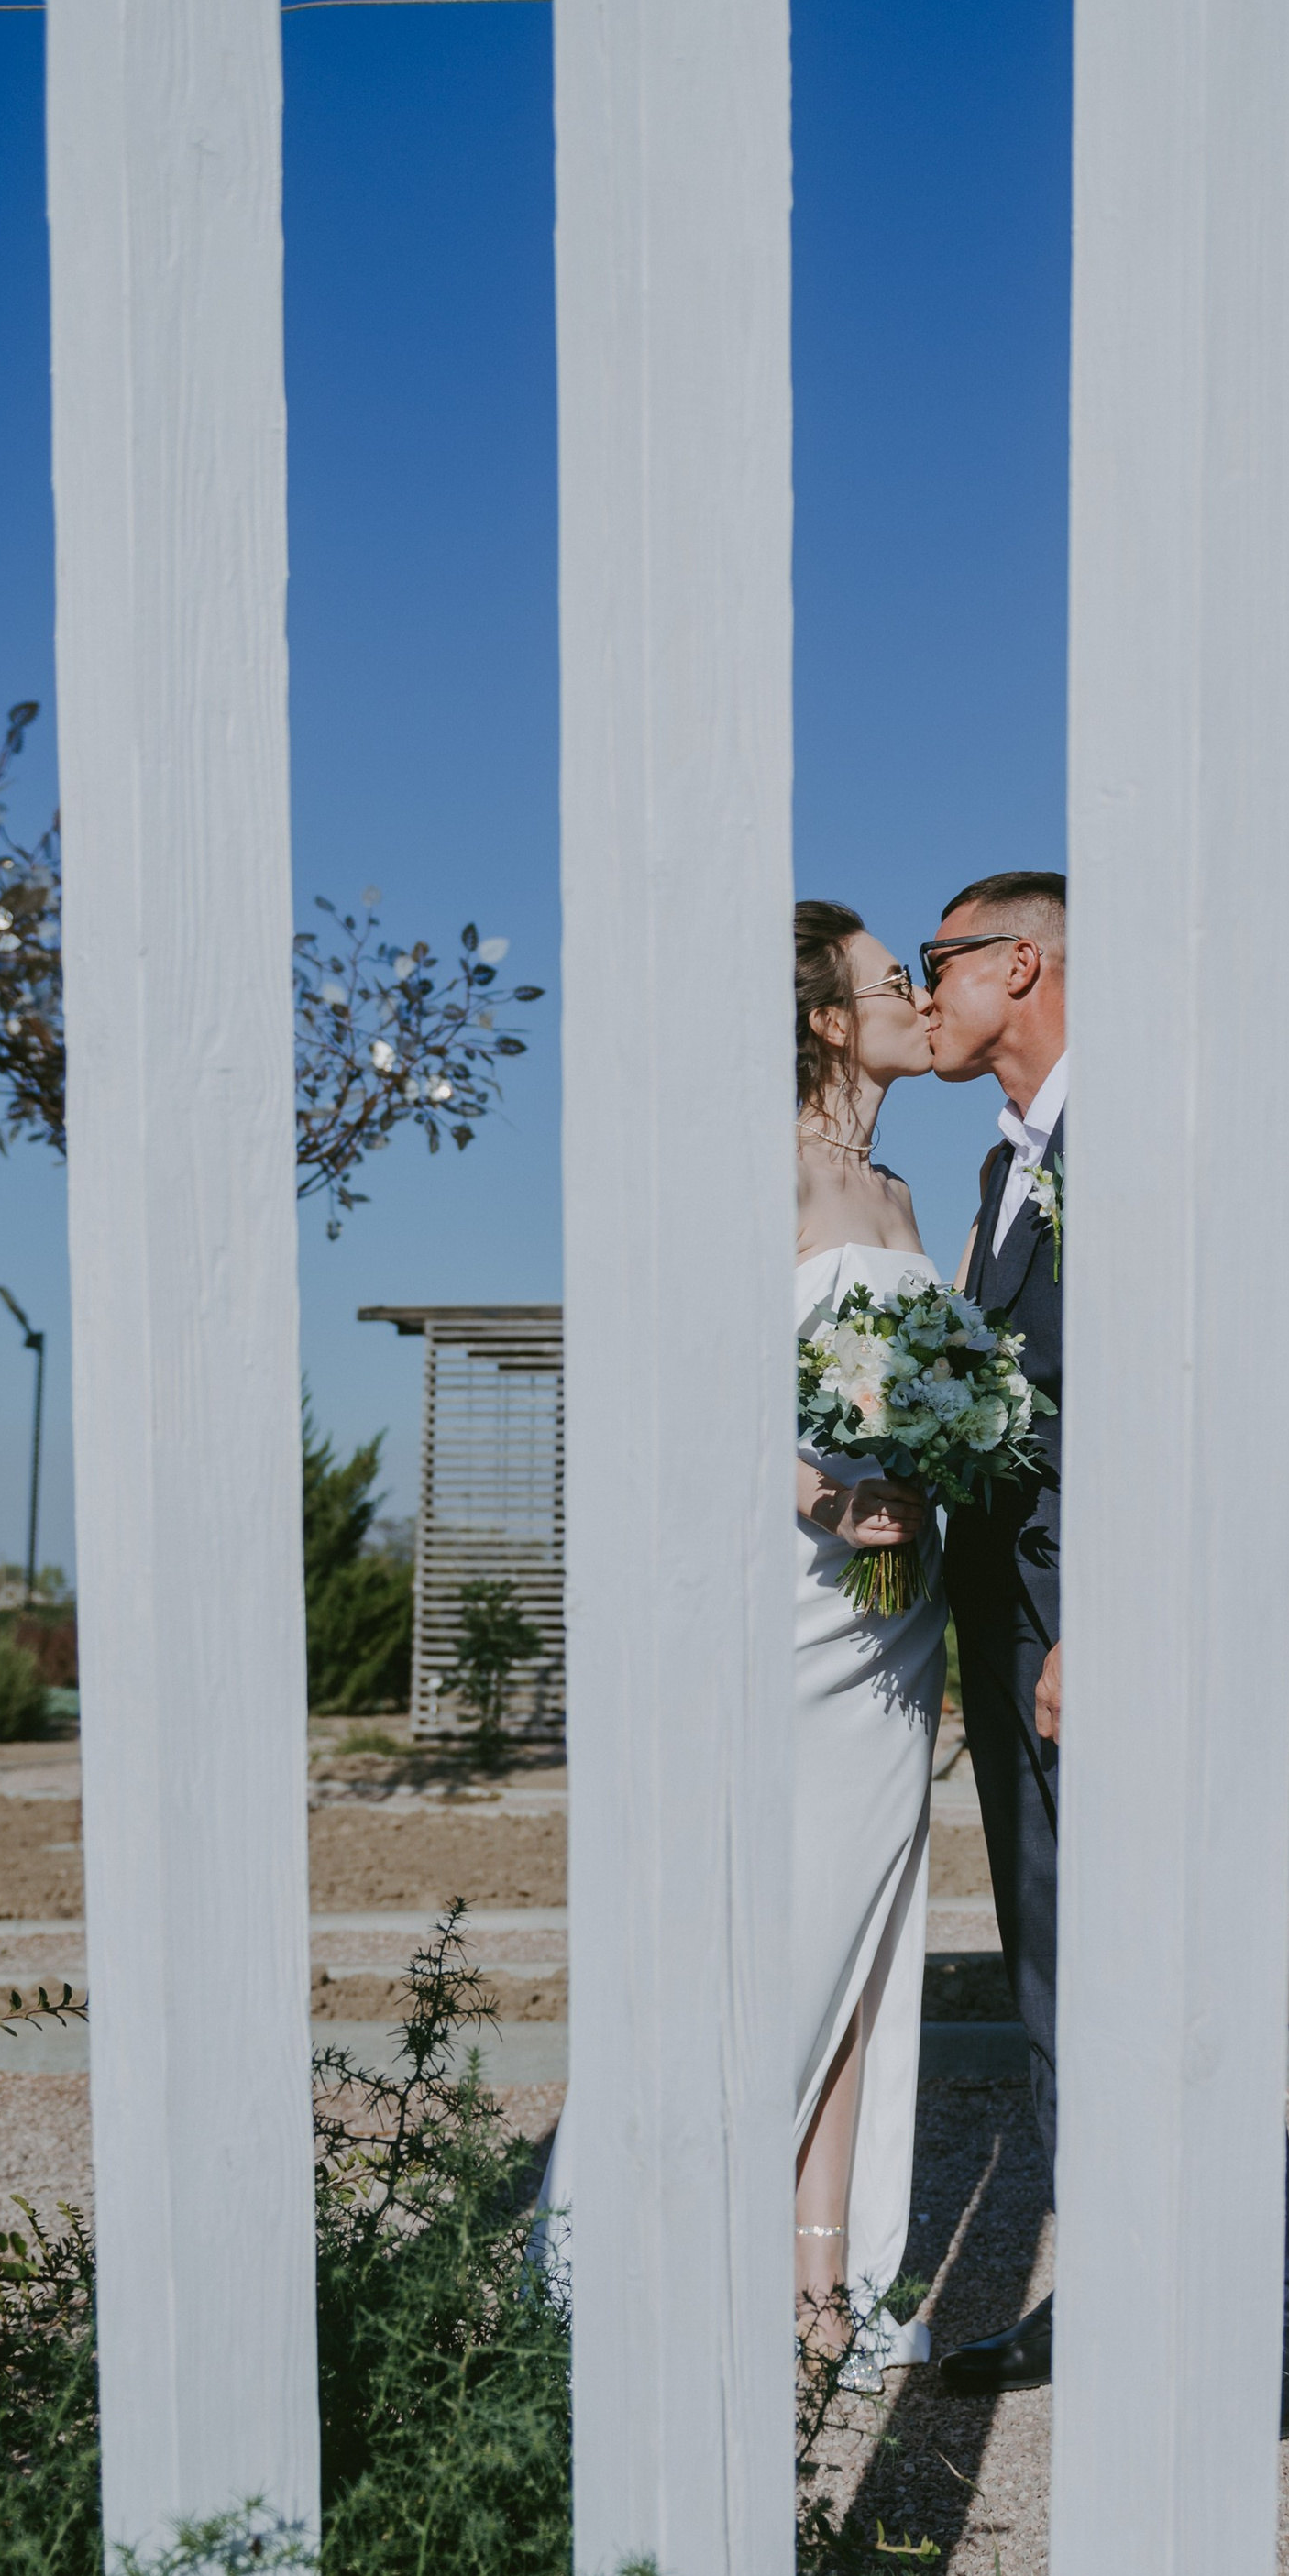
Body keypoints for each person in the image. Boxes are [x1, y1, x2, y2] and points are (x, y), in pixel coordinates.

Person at [920, 868, 1289, 2439]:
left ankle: (1287, 2299)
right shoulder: (1002, 1167)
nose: (924, 992)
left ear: (1021, 963)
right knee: (1058, 1967)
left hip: (1128, 1610)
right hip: (1016, 1606)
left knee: (1162, 1958)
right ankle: (1116, 2280)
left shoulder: (1146, 1129)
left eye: (941, 961)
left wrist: (1108, 1616)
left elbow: (1175, 1383)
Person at [539, 901, 945, 2362]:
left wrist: (935, 1464)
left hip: (900, 1607)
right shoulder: (758, 1169)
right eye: (892, 977)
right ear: (829, 1018)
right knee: (766, 1919)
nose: (915, 994)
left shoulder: (904, 1190)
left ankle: (820, 2282)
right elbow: (685, 1384)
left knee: (864, 1932)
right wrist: (824, 1492)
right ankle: (644, 2236)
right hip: (791, 1592)